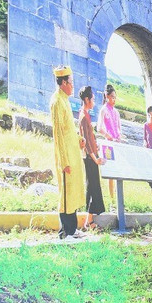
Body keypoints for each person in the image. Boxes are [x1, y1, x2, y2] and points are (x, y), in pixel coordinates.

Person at [50, 66, 85, 240]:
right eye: (71, 83)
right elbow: (58, 134)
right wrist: (64, 161)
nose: (72, 86)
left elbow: (68, 128)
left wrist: (79, 139)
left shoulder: (65, 100)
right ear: (63, 83)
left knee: (72, 193)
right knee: (65, 193)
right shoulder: (56, 102)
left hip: (73, 154)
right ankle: (65, 231)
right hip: (66, 157)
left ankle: (72, 229)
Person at [78, 85, 105, 228]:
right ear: (87, 99)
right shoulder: (83, 117)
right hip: (89, 158)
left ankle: (89, 220)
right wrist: (95, 158)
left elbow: (90, 138)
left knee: (93, 186)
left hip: (91, 155)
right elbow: (86, 141)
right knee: (92, 186)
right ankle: (89, 221)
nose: (94, 102)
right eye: (93, 99)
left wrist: (96, 148)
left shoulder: (86, 115)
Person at [97, 83, 122, 199]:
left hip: (117, 143)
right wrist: (109, 136)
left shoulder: (116, 112)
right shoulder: (104, 110)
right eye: (112, 97)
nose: (114, 99)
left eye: (115, 97)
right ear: (107, 96)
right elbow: (99, 128)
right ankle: (112, 197)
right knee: (111, 172)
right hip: (108, 145)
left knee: (119, 170)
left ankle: (118, 196)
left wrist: (119, 137)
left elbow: (119, 128)